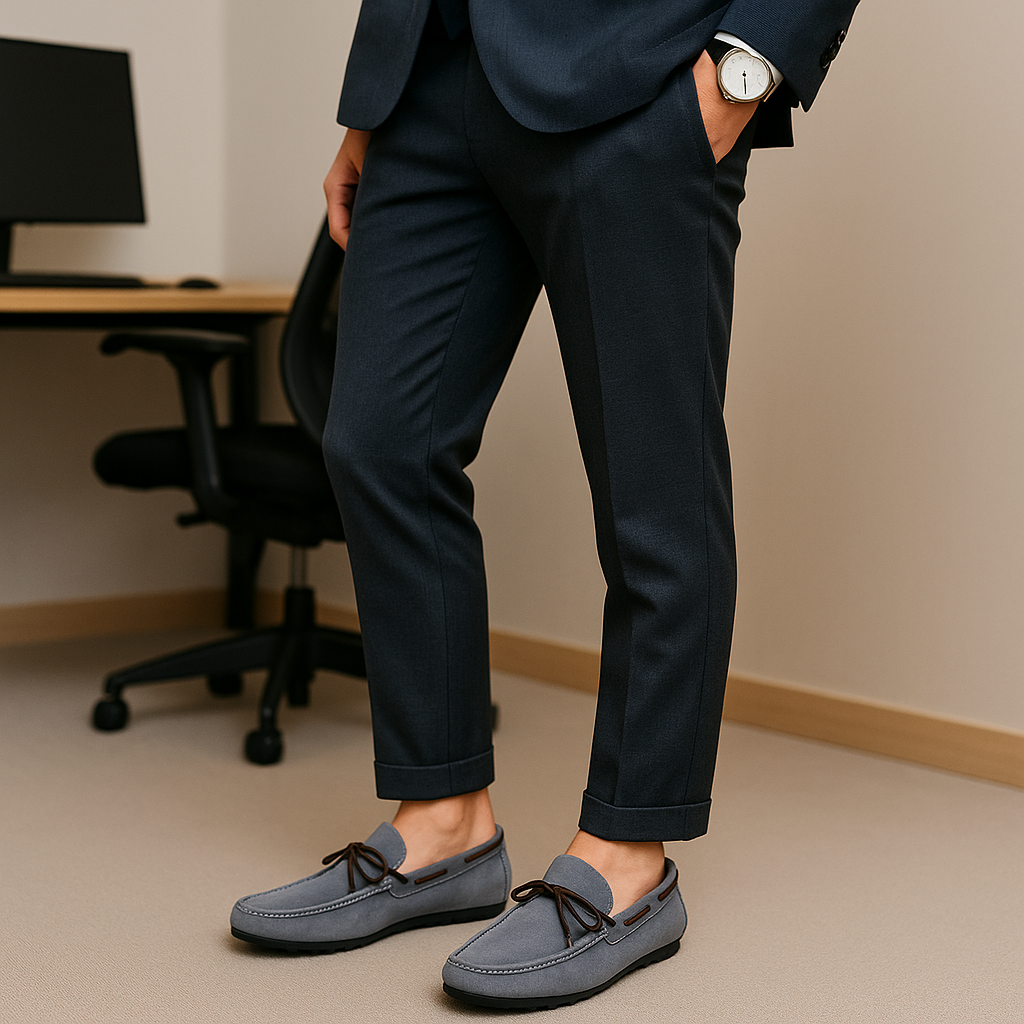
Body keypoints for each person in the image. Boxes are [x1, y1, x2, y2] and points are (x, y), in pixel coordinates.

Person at [230, 0, 859, 1009]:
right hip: (431, 80)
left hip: (635, 77)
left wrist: (747, 66)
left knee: (654, 487)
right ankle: (443, 824)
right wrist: (370, 104)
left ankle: (627, 854)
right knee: (378, 441)